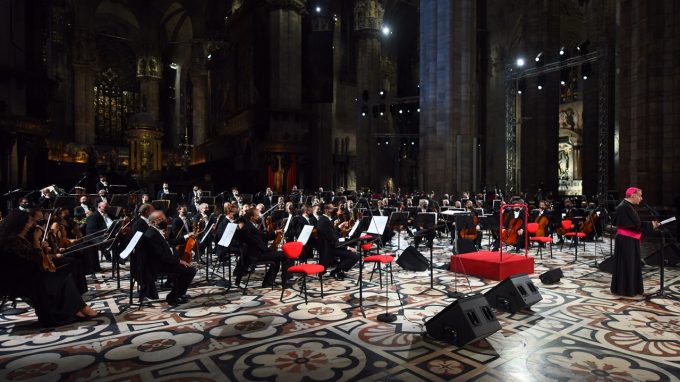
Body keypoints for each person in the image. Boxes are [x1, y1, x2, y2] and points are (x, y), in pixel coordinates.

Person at [0, 210, 97, 326]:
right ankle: (78, 310)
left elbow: (34, 260)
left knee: (63, 276)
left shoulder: (20, 238)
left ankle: (76, 310)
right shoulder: (12, 242)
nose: (31, 224)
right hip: (18, 281)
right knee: (60, 278)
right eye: (29, 222)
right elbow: (35, 260)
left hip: (29, 275)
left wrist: (40, 247)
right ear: (22, 223)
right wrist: (36, 240)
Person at [611, 187, 659, 297]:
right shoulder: (624, 207)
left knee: (632, 263)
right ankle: (626, 289)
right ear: (633, 196)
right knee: (627, 264)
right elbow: (635, 226)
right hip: (626, 240)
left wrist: (651, 224)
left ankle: (631, 288)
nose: (641, 198)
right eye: (640, 196)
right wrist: (651, 225)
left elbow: (636, 225)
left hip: (630, 240)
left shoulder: (628, 206)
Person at [141, 211, 197, 305]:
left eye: (164, 218)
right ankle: (173, 297)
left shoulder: (156, 231)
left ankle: (178, 294)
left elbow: (169, 243)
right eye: (161, 219)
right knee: (190, 270)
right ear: (154, 222)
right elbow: (161, 256)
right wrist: (179, 261)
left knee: (186, 268)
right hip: (158, 265)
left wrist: (186, 236)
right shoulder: (151, 234)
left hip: (164, 261)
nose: (165, 221)